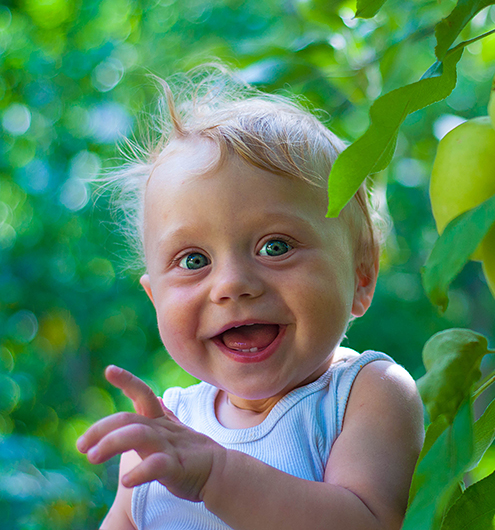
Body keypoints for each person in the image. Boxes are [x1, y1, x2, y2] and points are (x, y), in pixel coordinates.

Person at [76, 69, 424, 530]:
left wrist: (217, 475)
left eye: (275, 247)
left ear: (361, 277)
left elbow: (369, 522)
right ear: (154, 299)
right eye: (194, 259)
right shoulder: (164, 436)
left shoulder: (365, 396)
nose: (232, 284)